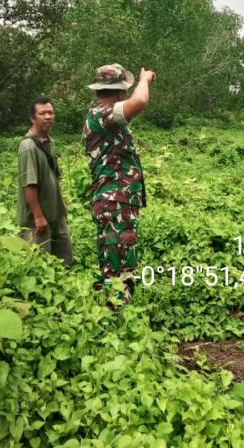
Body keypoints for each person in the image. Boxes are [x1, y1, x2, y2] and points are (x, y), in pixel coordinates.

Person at [82, 63, 156, 305]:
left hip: (113, 202)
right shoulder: (102, 115)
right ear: (121, 91)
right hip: (115, 203)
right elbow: (140, 101)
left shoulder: (101, 116)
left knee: (111, 263)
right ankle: (117, 314)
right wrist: (144, 80)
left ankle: (106, 311)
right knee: (120, 268)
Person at [16, 97, 73, 267]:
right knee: (39, 267)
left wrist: (61, 205)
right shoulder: (28, 147)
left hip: (55, 216)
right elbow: (29, 184)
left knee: (65, 262)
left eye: (50, 113)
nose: (48, 117)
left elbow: (52, 178)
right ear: (32, 118)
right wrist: (38, 217)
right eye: (42, 113)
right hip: (37, 222)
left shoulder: (46, 142)